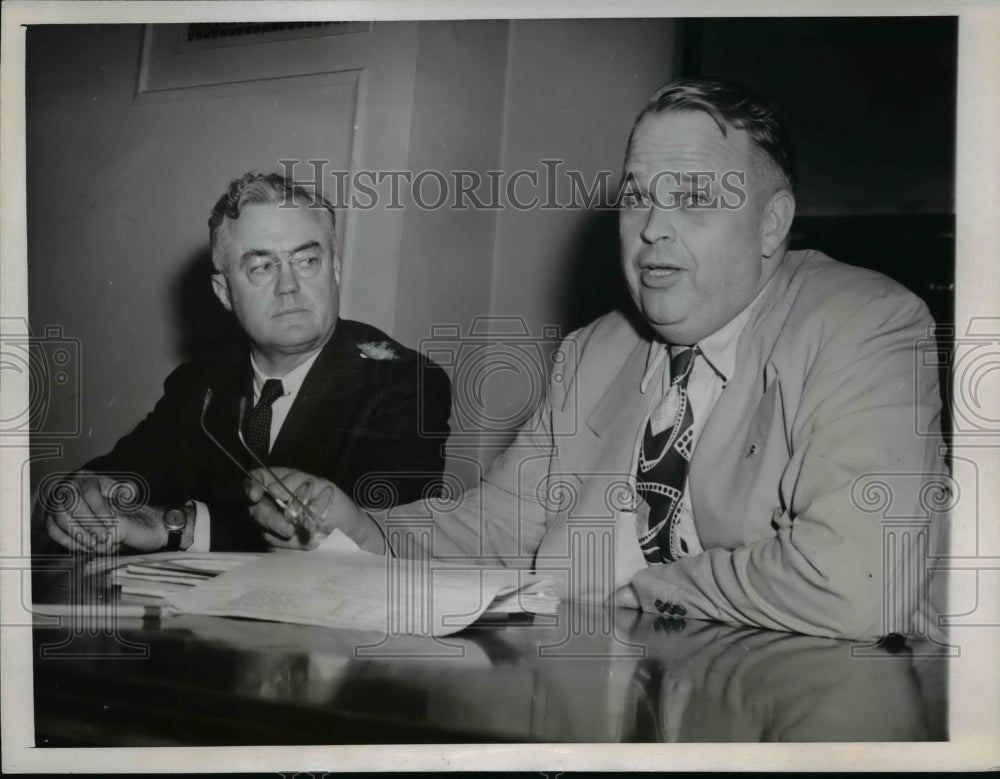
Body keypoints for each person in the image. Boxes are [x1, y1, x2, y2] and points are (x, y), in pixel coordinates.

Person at [247, 79, 948, 640]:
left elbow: (857, 584)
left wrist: (642, 590)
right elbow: (498, 527)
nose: (652, 227)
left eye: (692, 197)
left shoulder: (863, 322)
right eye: (637, 197)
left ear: (771, 225)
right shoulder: (595, 350)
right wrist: (361, 528)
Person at [38, 172, 452, 553]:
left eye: (307, 261)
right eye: (262, 267)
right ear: (223, 292)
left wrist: (178, 525)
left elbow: (371, 540)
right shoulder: (199, 383)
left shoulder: (403, 383)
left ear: (336, 271)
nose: (289, 286)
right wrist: (82, 494)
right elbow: (122, 477)